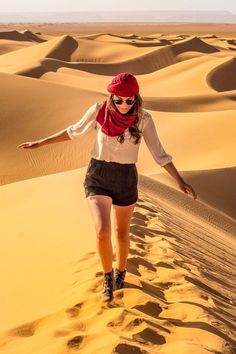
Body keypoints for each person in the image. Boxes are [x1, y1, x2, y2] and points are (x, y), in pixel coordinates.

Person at [18, 72, 197, 301]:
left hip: (125, 178)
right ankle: (107, 277)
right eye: (119, 99)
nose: (124, 104)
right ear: (111, 97)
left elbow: (159, 154)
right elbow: (73, 132)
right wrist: (40, 142)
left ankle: (121, 272)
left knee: (121, 233)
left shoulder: (143, 119)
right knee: (102, 231)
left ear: (136, 98)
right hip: (98, 175)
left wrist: (180, 181)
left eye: (129, 100)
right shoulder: (98, 111)